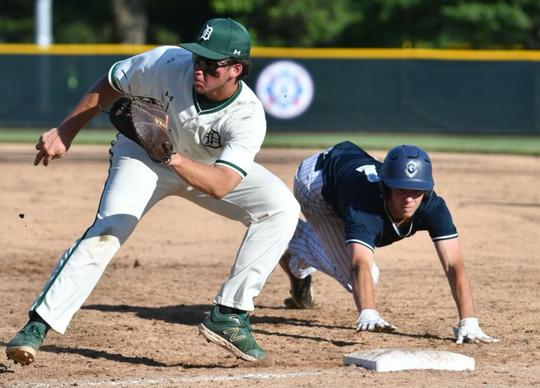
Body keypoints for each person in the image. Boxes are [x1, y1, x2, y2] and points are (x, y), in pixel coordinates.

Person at [6, 18, 299, 365]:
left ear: (236, 69)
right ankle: (38, 325)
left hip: (200, 166)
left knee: (281, 207)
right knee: (109, 229)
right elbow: (111, 83)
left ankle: (230, 314)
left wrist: (173, 157)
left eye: (210, 64)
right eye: (197, 59)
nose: (199, 69)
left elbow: (221, 184)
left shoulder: (247, 116)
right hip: (141, 156)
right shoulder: (165, 62)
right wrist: (66, 131)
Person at [279, 141, 499, 344]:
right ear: (385, 187)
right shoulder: (364, 209)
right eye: (401, 189)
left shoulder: (433, 207)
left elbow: (453, 264)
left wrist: (469, 321)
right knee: (359, 278)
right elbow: (360, 264)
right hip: (316, 183)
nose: (409, 198)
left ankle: (297, 263)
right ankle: (285, 230)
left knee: (349, 255)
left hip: (345, 171)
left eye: (416, 190)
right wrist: (368, 311)